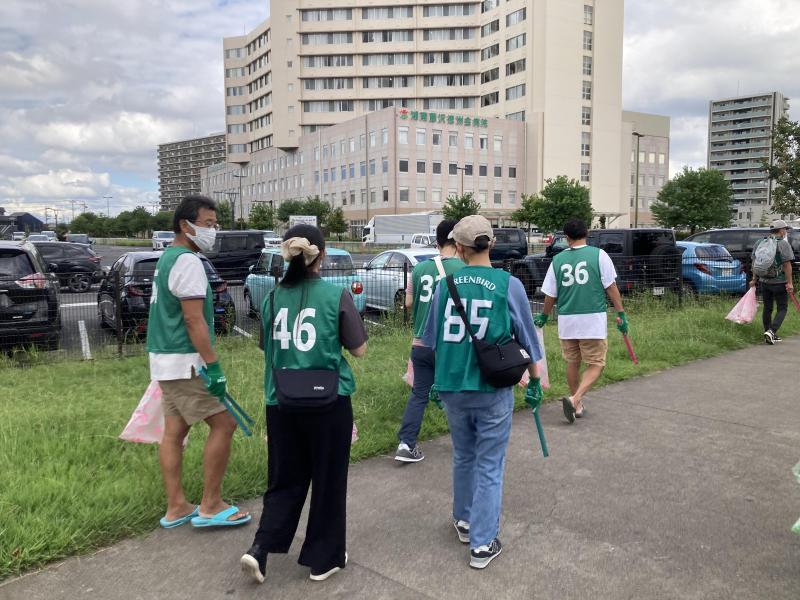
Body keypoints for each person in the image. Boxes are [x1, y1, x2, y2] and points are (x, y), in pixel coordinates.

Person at [241, 224, 367, 584]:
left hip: (280, 401)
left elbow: (266, 347)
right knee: (328, 479)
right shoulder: (335, 295)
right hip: (329, 401)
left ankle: (260, 549)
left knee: (283, 480)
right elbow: (359, 349)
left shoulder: (271, 298)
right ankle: (322, 558)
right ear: (321, 256)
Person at [423, 215, 543, 570]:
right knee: (490, 463)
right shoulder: (508, 284)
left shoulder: (446, 285)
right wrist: (534, 381)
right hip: (492, 387)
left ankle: (463, 520)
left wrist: (432, 382)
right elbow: (528, 339)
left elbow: (431, 340)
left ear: (458, 248)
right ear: (491, 243)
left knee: (463, 455)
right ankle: (482, 542)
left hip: (451, 385)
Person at [147, 194, 250, 529]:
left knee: (174, 433)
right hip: (187, 362)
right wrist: (214, 364)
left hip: (165, 361)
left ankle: (176, 506)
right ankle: (210, 504)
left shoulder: (167, 258)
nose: (213, 231)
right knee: (225, 425)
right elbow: (194, 321)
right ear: (185, 225)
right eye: (207, 224)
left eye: (215, 224)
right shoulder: (188, 262)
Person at [534, 218, 627, 424]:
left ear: (566, 238)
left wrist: (544, 315)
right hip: (592, 320)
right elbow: (610, 287)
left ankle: (576, 405)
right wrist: (620, 313)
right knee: (596, 363)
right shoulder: (599, 255)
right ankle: (575, 398)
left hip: (567, 321)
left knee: (572, 362)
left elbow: (550, 294)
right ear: (587, 234)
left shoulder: (557, 260)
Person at [395, 219, 465, 463]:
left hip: (420, 343)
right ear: (458, 242)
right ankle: (465, 444)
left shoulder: (419, 269)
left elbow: (408, 303)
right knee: (456, 393)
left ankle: (406, 444)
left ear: (436, 242)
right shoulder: (463, 269)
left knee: (419, 394)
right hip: (450, 345)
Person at [750, 219, 795, 345]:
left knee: (767, 308)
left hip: (764, 281)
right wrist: (790, 283)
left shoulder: (759, 242)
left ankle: (768, 334)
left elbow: (755, 262)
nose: (786, 232)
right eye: (785, 229)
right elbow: (787, 265)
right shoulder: (783, 244)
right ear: (781, 231)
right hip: (779, 282)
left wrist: (754, 279)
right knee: (783, 308)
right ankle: (772, 331)